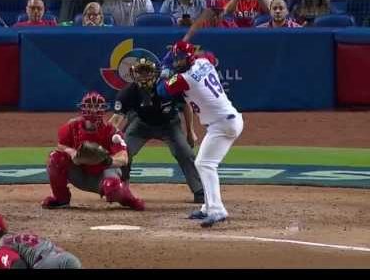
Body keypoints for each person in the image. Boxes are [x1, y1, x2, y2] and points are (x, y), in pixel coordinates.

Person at [156, 41, 244, 228]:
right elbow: (210, 55)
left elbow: (161, 90)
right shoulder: (204, 61)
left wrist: (165, 66)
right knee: (205, 163)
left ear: (188, 59)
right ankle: (207, 207)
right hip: (228, 121)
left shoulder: (185, 79)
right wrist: (178, 53)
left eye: (180, 60)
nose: (177, 63)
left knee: (204, 164)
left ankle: (217, 210)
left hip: (222, 125)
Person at [108, 56, 205, 204]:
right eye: (139, 72)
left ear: (155, 73)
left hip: (169, 125)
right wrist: (104, 137)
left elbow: (186, 106)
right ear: (133, 74)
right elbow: (116, 119)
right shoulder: (129, 92)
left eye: (147, 72)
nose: (143, 76)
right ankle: (122, 188)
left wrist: (190, 131)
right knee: (124, 151)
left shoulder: (168, 86)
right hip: (141, 124)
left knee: (185, 152)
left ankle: (199, 191)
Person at [41, 91, 145, 211]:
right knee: (55, 158)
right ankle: (61, 199)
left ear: (103, 109)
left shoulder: (111, 131)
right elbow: (61, 145)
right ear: (83, 108)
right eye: (90, 106)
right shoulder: (71, 126)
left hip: (101, 174)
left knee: (112, 187)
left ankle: (129, 199)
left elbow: (124, 158)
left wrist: (107, 160)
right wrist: (72, 152)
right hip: (80, 172)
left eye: (97, 107)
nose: (93, 110)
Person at [0, 213, 81, 269]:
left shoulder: (1, 249)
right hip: (69, 259)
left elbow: (18, 265)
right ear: (5, 230)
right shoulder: (21, 236)